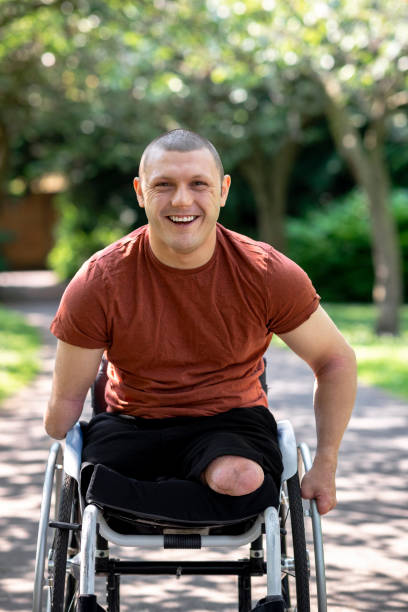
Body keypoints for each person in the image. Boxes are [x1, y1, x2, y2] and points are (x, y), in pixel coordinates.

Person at [45, 129, 357, 515]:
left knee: (242, 481)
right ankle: (166, 499)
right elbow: (66, 402)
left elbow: (335, 360)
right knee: (87, 482)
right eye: (163, 185)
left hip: (230, 425)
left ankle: (132, 500)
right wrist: (60, 433)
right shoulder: (99, 281)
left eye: (198, 184)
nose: (181, 199)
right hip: (132, 424)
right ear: (140, 191)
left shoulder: (266, 273)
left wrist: (325, 465)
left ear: (223, 191)